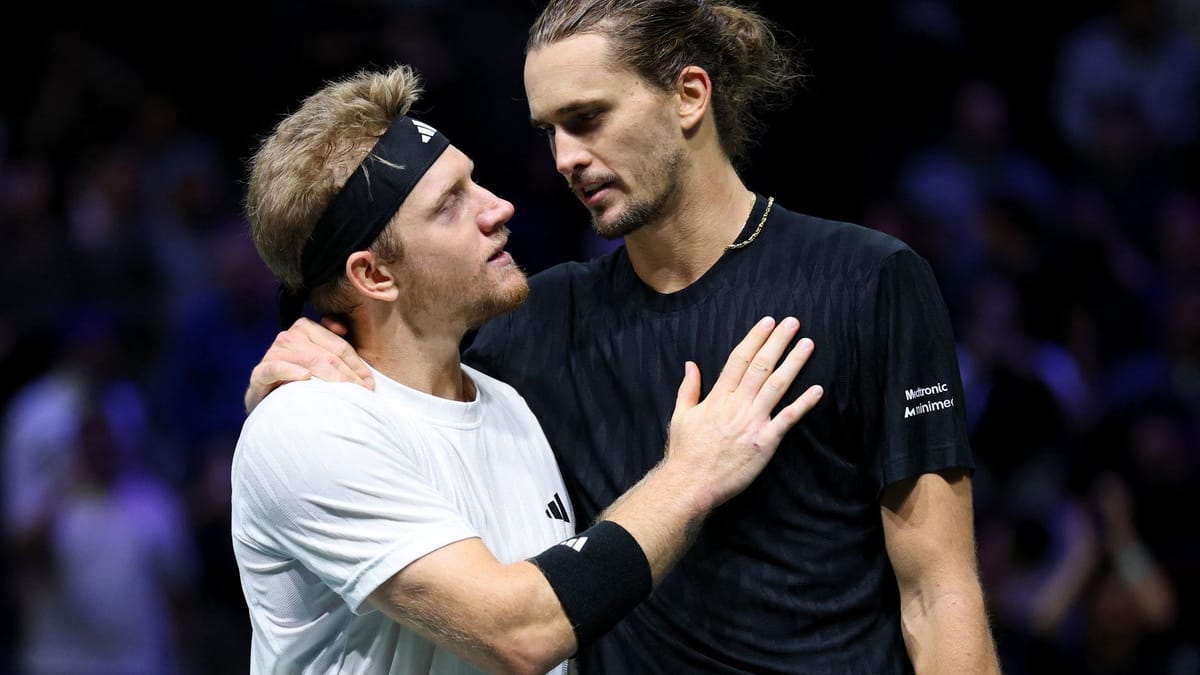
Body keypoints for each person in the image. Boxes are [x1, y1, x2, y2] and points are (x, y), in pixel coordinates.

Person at [245, 1, 1002, 672]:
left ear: (689, 94)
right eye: (550, 131)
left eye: (588, 118)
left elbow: (939, 595)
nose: (564, 159)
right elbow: (390, 371)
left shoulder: (870, 281)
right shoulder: (527, 327)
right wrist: (294, 357)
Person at [233, 62, 823, 675]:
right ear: (374, 275)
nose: (498, 208)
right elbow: (519, 632)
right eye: (450, 205)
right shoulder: (309, 424)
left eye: (474, 183)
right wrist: (693, 474)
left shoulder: (509, 401)